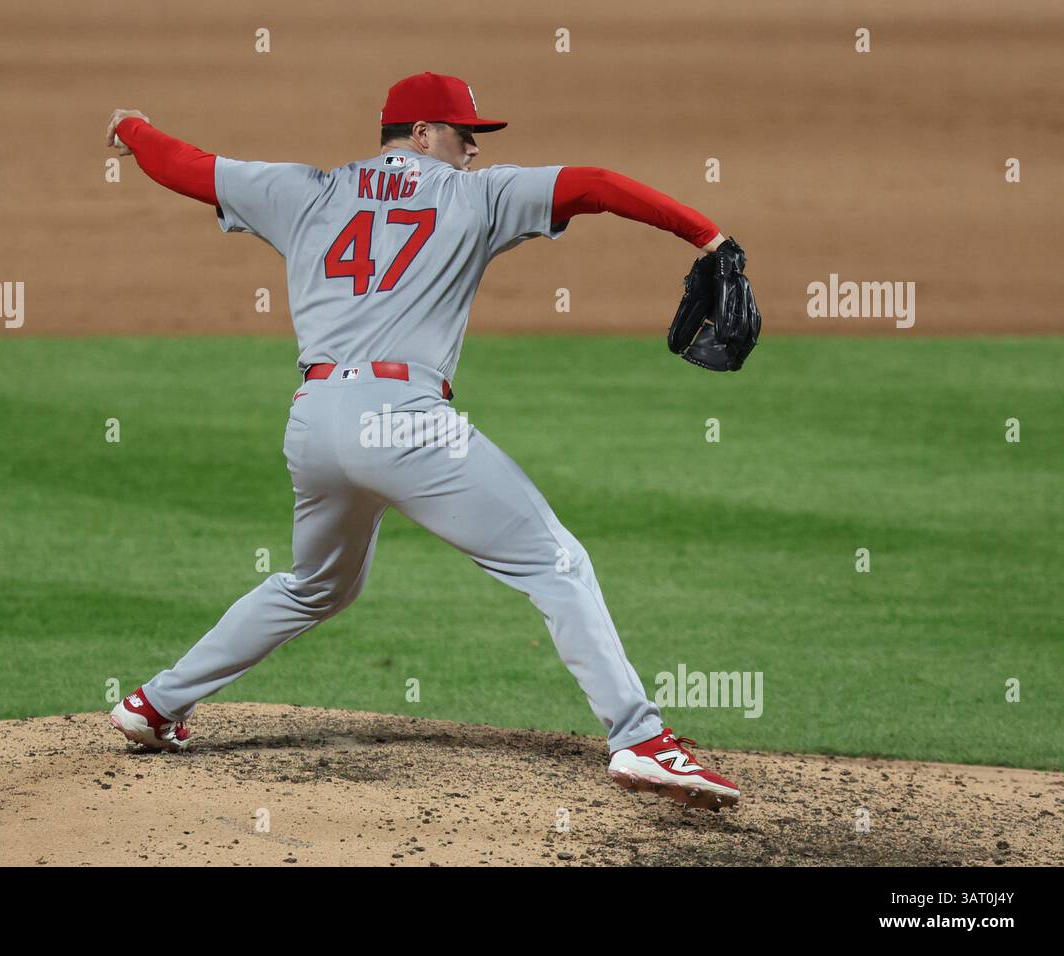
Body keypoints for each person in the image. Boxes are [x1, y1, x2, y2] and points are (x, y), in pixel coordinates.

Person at [105, 72, 740, 810]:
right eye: (464, 134)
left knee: (317, 586)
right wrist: (708, 234)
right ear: (421, 134)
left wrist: (132, 129)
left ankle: (154, 707)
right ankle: (641, 739)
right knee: (554, 560)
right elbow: (594, 183)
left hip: (313, 420)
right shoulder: (476, 196)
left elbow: (184, 165)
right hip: (403, 419)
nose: (474, 149)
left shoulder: (300, 190)